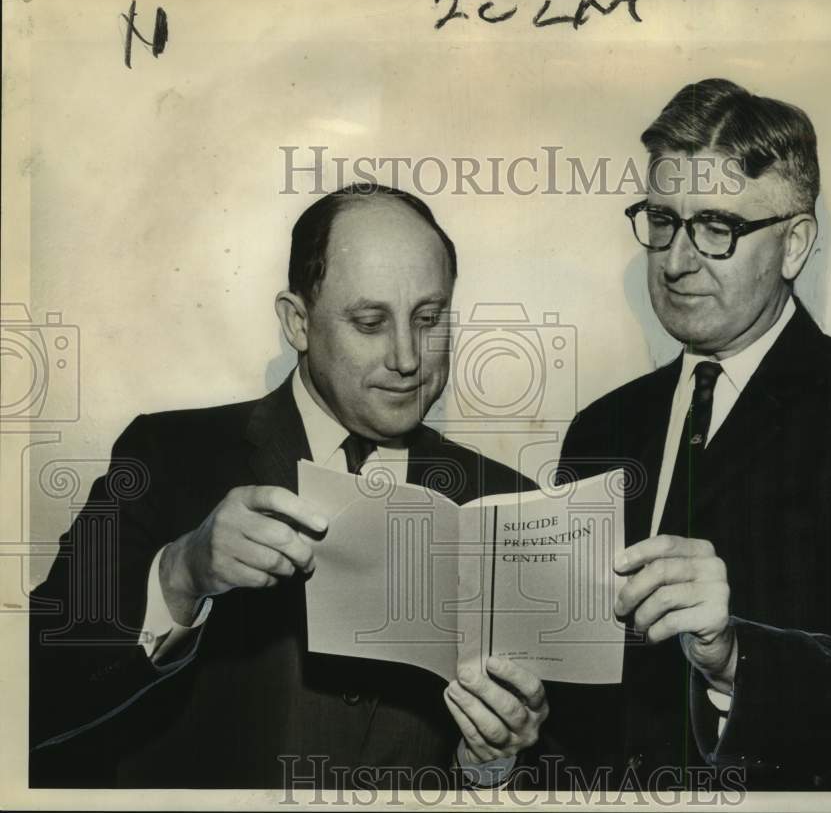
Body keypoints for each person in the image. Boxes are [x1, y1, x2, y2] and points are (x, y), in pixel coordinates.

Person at [29, 184, 547, 790]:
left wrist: (490, 766)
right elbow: (34, 693)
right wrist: (178, 577)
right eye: (370, 322)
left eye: (429, 319)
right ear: (296, 322)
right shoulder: (166, 456)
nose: (408, 357)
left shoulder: (506, 502)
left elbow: (570, 762)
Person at [546, 78, 831, 791]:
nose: (677, 260)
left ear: (795, 243)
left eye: (717, 227)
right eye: (662, 220)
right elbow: (582, 708)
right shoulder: (602, 427)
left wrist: (734, 657)